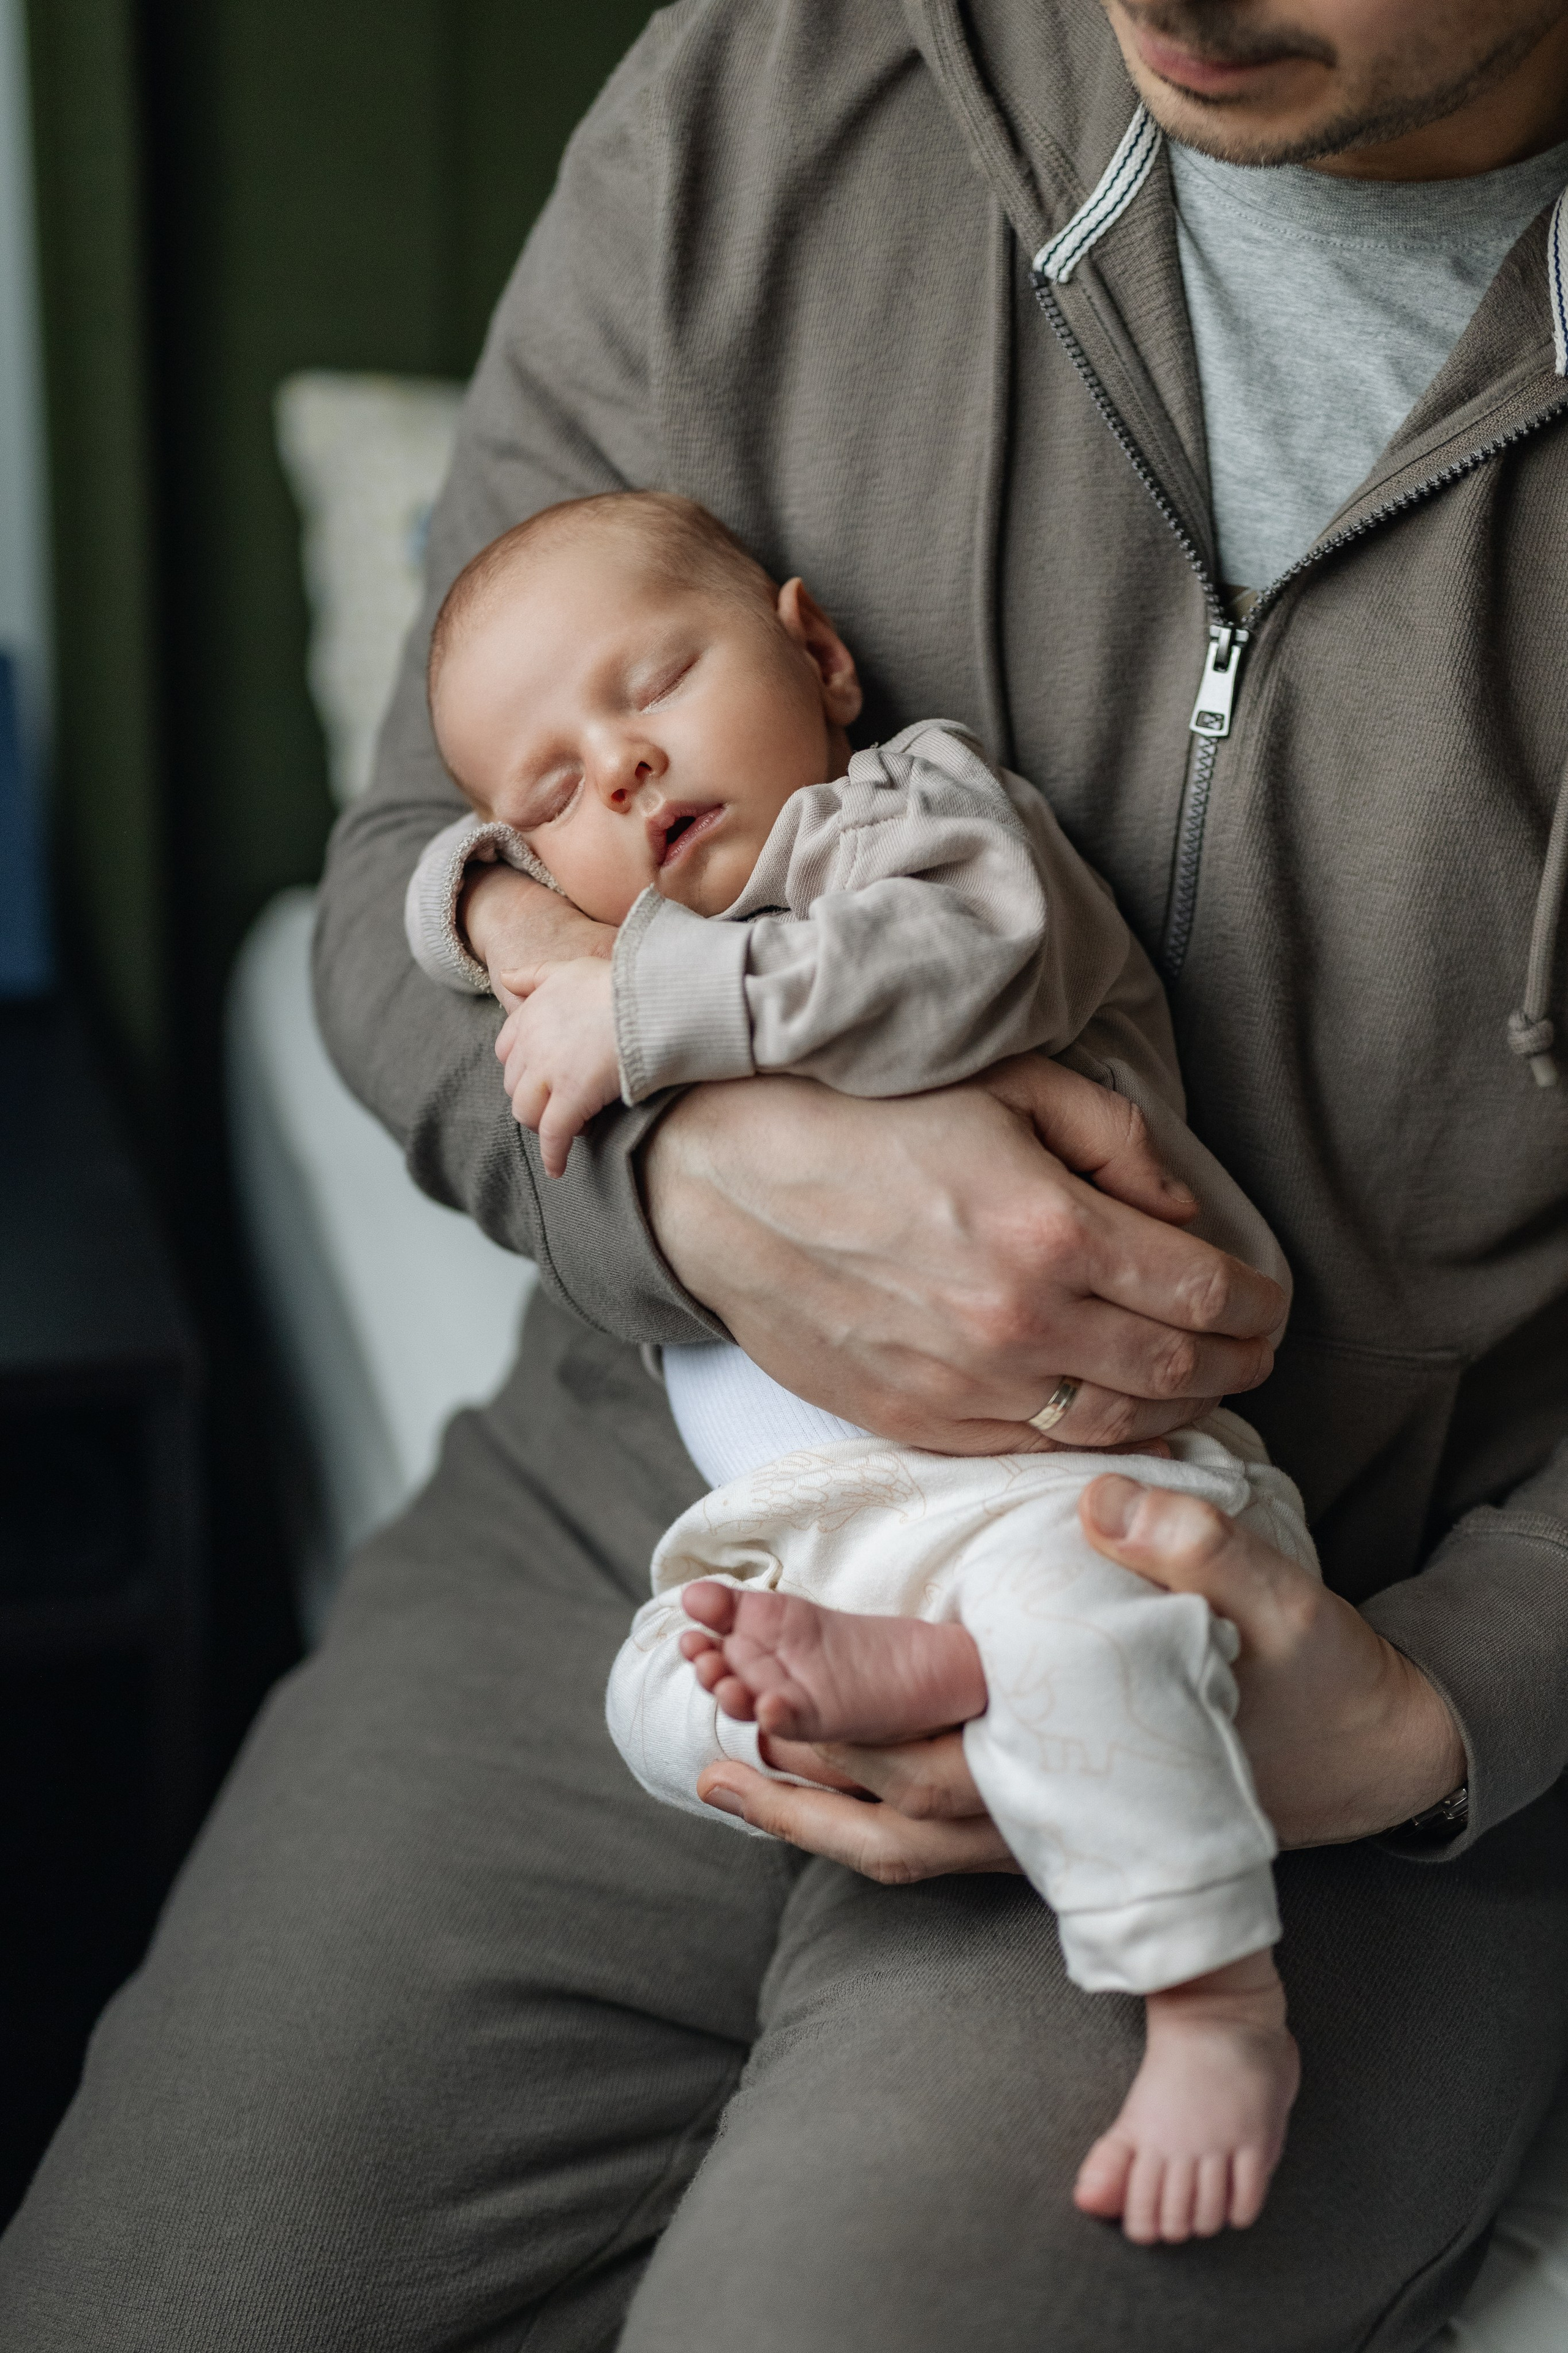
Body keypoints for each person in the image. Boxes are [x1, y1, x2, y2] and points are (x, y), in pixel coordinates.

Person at [5, 2, 1568, 2347]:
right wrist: (707, 1181)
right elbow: (403, 873)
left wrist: (1439, 1702)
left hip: (1286, 1619)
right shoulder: (780, 88)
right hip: (649, 1510)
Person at [406, 485, 1314, 2238]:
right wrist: (502, 904)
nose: (618, 770)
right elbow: (428, 892)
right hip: (820, 1520)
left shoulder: (914, 818)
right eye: (550, 790)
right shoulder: (609, 925)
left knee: (1087, 1628)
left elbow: (963, 965)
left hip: (1085, 1480)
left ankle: (1215, 2001)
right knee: (656, 1681)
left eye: (656, 682)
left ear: (817, 655)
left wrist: (639, 1003)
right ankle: (897, 1671)